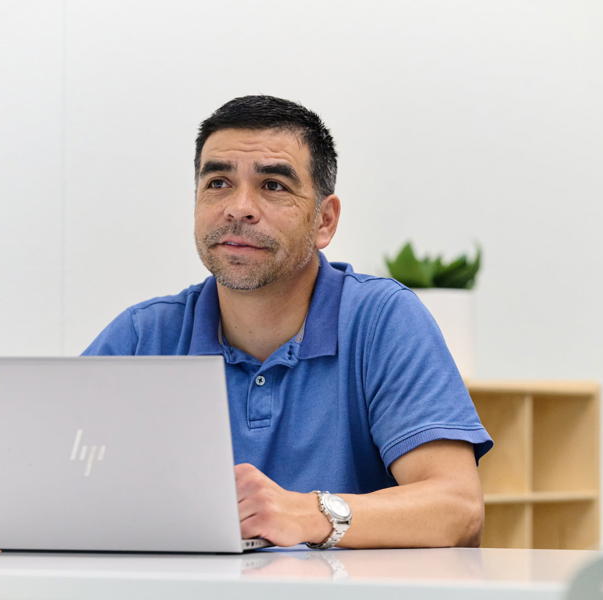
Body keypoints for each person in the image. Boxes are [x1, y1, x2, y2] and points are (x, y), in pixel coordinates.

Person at [83, 95, 493, 549]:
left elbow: (457, 509)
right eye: (217, 182)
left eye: (273, 185)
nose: (239, 208)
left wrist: (308, 514)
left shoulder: (382, 319)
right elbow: (49, 486)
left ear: (325, 221)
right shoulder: (144, 335)